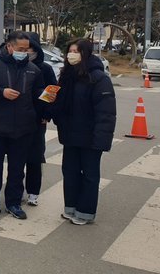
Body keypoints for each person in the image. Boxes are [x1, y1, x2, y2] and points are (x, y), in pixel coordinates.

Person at [0, 30, 45, 220]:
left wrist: (48, 99)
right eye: (21, 49)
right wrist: (0, 92)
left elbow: (38, 96)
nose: (25, 52)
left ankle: (13, 203)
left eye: (27, 49)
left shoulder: (33, 70)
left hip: (23, 129)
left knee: (17, 169)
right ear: (9, 46)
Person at [51, 39, 116, 225]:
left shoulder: (98, 78)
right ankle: (70, 207)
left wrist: (102, 139)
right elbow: (60, 106)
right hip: (70, 135)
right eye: (69, 51)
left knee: (89, 175)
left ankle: (86, 212)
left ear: (86, 54)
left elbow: (106, 113)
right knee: (70, 172)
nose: (72, 54)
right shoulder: (66, 76)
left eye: (76, 51)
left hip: (90, 137)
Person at [24, 32, 58, 206]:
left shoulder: (45, 69)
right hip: (17, 120)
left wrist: (46, 114)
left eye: (29, 48)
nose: (26, 51)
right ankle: (16, 190)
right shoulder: (14, 66)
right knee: (17, 158)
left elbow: (52, 92)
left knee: (35, 158)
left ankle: (33, 192)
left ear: (36, 49)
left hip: (37, 120)